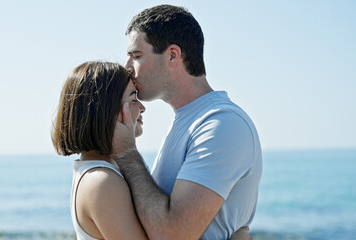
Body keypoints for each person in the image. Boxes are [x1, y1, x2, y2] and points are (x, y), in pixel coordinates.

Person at [52, 61, 252, 240]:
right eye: (132, 99)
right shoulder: (101, 181)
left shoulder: (96, 171)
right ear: (106, 110)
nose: (141, 107)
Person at [112, 4, 262, 240]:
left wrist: (126, 153)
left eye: (137, 56)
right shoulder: (188, 120)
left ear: (173, 55)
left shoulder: (221, 123)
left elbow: (173, 235)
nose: (127, 67)